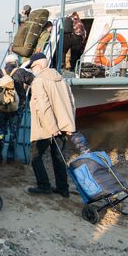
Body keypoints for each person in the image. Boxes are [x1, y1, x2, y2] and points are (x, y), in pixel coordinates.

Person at [27, 52, 77, 197]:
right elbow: (72, 103)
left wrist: (52, 128)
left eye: (33, 66)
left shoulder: (38, 81)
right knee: (59, 157)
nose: (33, 69)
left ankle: (44, 186)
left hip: (46, 127)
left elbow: (44, 107)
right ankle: (63, 188)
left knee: (35, 157)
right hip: (63, 125)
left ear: (40, 64)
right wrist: (70, 125)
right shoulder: (62, 79)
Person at [0, 54, 35, 164]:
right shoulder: (21, 72)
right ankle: (10, 157)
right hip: (16, 108)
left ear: (6, 63)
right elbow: (34, 81)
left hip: (0, 107)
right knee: (14, 133)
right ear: (16, 62)